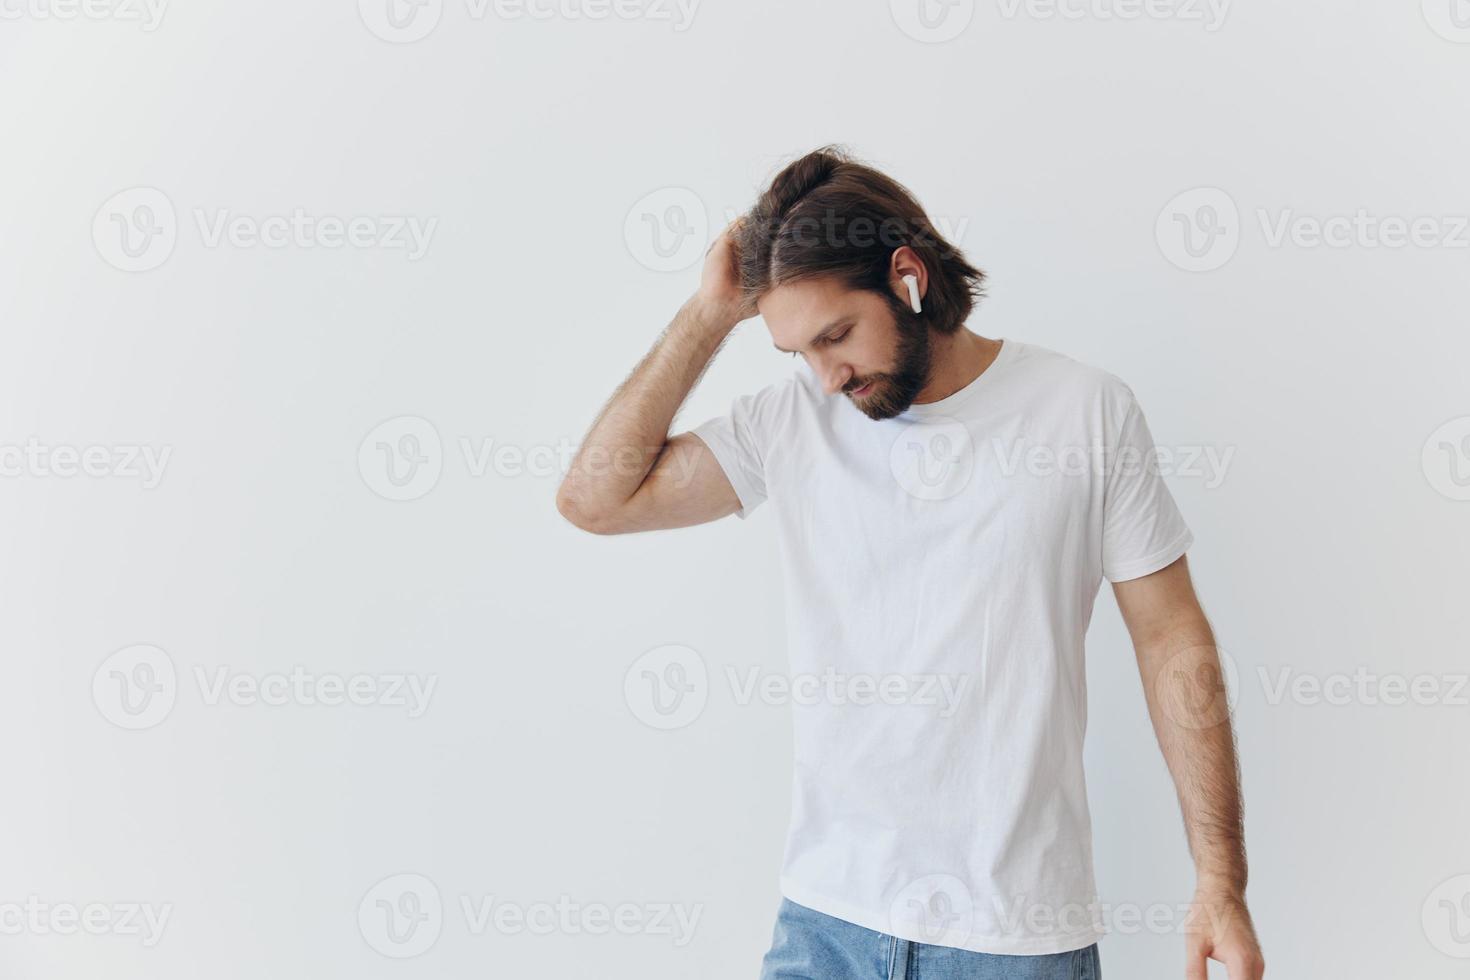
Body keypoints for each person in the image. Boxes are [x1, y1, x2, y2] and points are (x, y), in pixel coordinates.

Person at [556, 146, 1265, 980]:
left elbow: (1171, 639)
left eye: (836, 336)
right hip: (826, 927)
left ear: (908, 277)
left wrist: (1222, 880)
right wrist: (710, 312)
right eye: (800, 353)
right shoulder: (794, 424)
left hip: (1013, 939)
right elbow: (595, 501)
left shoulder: (1083, 411)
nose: (826, 377)